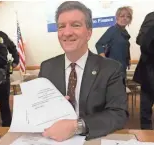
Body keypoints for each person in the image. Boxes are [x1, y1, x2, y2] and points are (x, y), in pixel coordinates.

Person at [38, 1, 128, 141]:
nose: (67, 32)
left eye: (76, 25)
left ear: (89, 33)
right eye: (62, 26)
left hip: (93, 139)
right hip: (52, 140)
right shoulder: (47, 68)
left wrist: (77, 126)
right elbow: (39, 111)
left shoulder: (111, 69)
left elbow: (118, 114)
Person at [95, 6, 133, 86]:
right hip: (113, 68)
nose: (125, 18)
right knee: (116, 93)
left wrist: (128, 59)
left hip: (122, 67)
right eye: (122, 16)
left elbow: (125, 47)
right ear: (117, 17)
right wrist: (104, 59)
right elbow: (99, 44)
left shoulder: (125, 33)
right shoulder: (112, 30)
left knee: (121, 91)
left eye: (128, 16)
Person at [133, 12, 154, 129]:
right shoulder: (152, 17)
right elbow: (143, 41)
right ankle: (146, 137)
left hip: (148, 70)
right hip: (149, 70)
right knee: (146, 110)